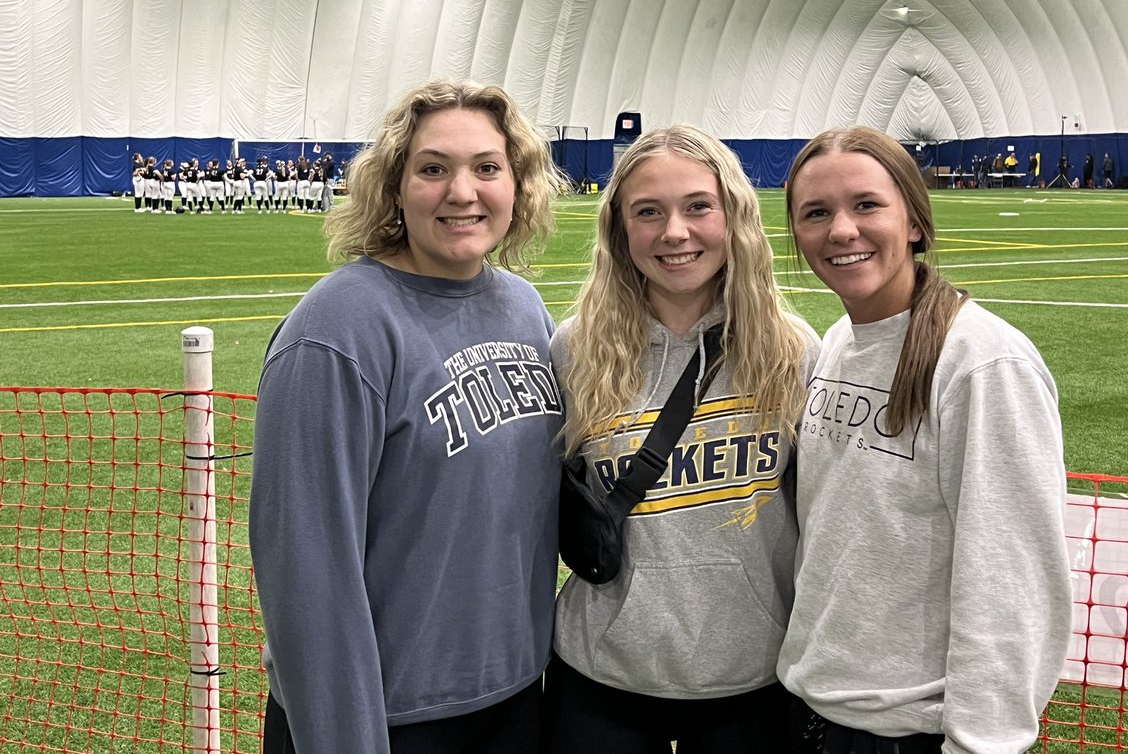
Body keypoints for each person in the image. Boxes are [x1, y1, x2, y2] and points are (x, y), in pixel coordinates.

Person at [249, 79, 566, 754]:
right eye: (432, 169)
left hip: (512, 701)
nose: (462, 192)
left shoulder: (524, 308)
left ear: (519, 184)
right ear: (394, 186)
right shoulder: (338, 329)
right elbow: (307, 567)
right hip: (384, 720)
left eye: (487, 167)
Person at [779, 127, 1072, 754]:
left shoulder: (984, 362)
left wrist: (982, 742)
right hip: (816, 709)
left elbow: (1010, 576)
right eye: (816, 213)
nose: (841, 230)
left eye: (866, 205)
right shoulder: (835, 345)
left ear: (914, 221)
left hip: (909, 731)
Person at [543, 125, 820, 754]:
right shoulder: (575, 350)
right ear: (620, 229)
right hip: (600, 676)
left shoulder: (794, 351)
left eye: (698, 206)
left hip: (752, 682)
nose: (674, 232)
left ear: (735, 217)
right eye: (649, 212)